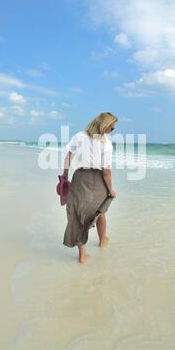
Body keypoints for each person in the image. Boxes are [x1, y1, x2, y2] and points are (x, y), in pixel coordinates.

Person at [62, 112, 118, 264]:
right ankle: (103, 241)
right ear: (104, 125)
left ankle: (83, 254)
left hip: (79, 177)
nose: (111, 131)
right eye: (111, 128)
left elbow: (69, 155)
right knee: (100, 210)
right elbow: (106, 170)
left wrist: (65, 175)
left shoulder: (79, 136)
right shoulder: (105, 143)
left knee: (79, 214)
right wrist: (111, 190)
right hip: (97, 179)